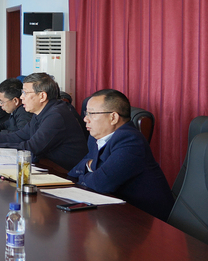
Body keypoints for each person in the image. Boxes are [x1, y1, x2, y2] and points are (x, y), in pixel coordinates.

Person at [68, 89, 174, 221]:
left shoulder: (130, 140)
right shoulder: (96, 137)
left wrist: (86, 174)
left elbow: (101, 183)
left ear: (113, 117)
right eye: (86, 113)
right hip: (115, 211)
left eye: (91, 113)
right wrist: (89, 167)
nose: (85, 119)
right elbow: (75, 172)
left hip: (145, 219)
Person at [0, 72, 88, 171]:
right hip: (49, 166)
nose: (21, 97)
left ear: (42, 96)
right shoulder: (41, 112)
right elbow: (18, 136)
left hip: (68, 173)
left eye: (25, 93)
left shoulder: (56, 115)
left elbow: (31, 148)